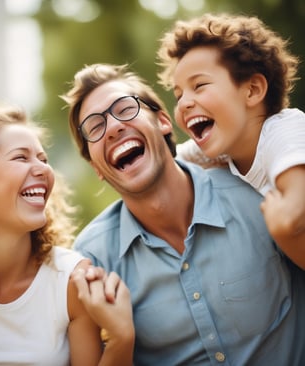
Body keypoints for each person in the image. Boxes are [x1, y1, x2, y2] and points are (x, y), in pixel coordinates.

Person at [61, 63, 305, 366]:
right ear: (96, 168)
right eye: (95, 128)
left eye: (125, 109)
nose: (113, 128)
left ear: (164, 122)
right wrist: (120, 337)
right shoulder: (92, 260)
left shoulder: (255, 193)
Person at [0, 103, 134, 366]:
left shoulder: (71, 281)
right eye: (21, 157)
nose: (43, 169)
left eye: (43, 159)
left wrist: (122, 337)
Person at [157, 13, 305, 269]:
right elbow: (167, 163)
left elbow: (296, 202)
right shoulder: (221, 150)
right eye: (178, 95)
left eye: (200, 85)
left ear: (252, 90)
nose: (184, 103)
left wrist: (284, 221)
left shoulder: (284, 129)